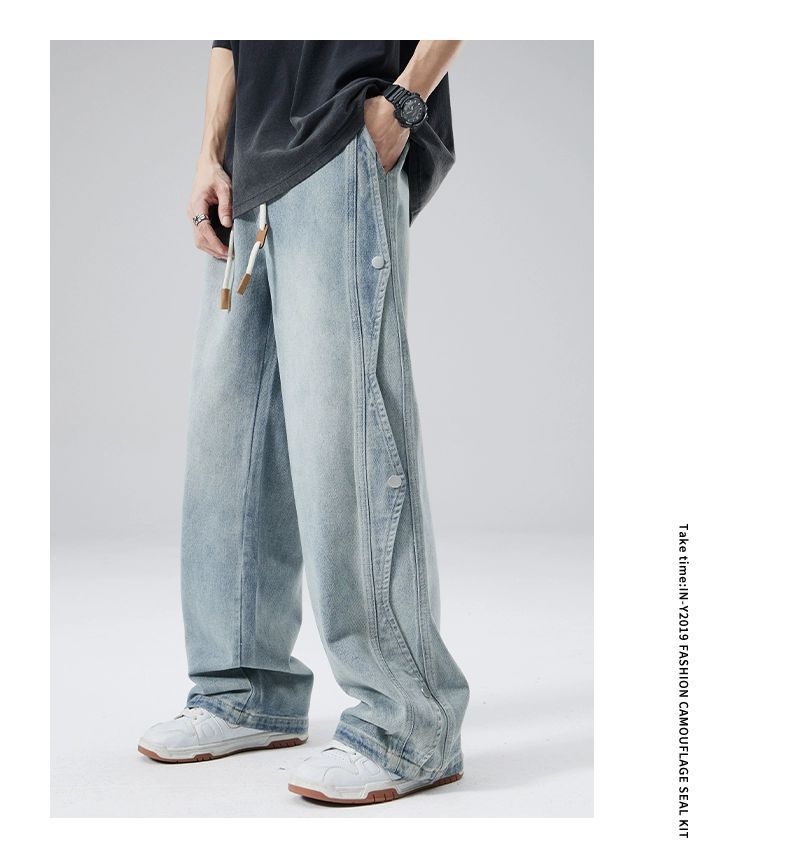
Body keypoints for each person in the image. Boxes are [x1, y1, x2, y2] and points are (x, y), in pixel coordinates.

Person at [138, 40, 470, 806]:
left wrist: (403, 103)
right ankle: (243, 689)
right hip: (247, 163)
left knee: (347, 437)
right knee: (230, 443)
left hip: (339, 131)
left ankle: (409, 723)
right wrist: (210, 151)